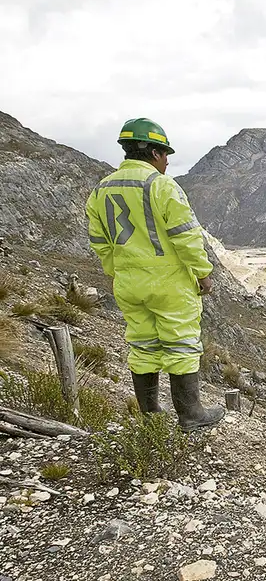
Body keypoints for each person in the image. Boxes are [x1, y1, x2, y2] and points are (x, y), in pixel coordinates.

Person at [86, 118, 224, 431]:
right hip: (169, 284)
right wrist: (203, 274)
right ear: (152, 152)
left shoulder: (100, 191)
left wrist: (119, 271)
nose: (166, 161)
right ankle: (191, 413)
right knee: (181, 342)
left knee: (142, 344)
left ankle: (150, 416)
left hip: (128, 283)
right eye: (164, 154)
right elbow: (186, 237)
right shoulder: (160, 186)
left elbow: (99, 242)